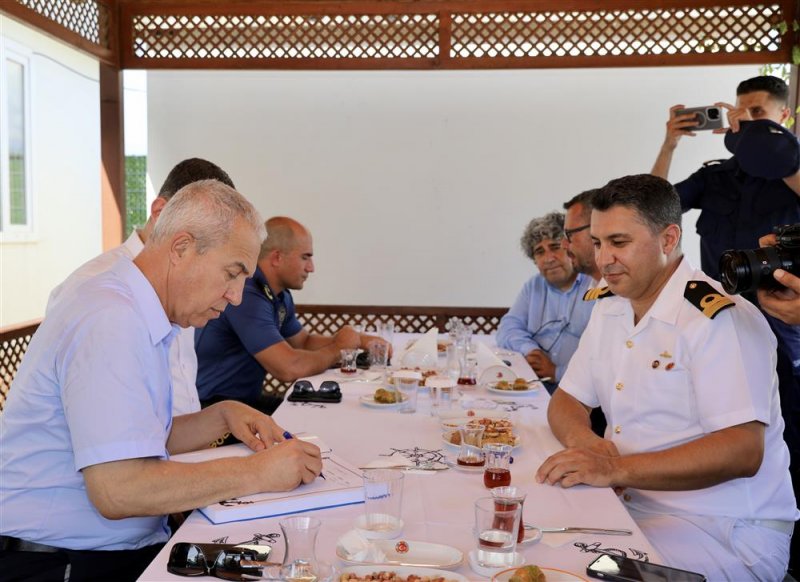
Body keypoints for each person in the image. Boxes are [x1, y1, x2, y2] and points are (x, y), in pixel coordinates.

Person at [0, 181, 322, 582]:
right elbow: (118, 489)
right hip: (60, 561)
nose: (237, 296)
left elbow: (133, 438)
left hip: (112, 548)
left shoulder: (135, 306)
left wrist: (221, 415)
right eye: (232, 273)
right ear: (181, 248)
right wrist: (258, 472)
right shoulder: (110, 317)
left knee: (291, 561)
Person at [536, 174, 797, 580]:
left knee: (577, 573)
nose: (604, 259)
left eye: (619, 243)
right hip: (639, 507)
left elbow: (742, 452)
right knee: (530, 544)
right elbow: (567, 400)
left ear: (669, 239)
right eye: (599, 243)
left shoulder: (716, 318)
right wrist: (587, 444)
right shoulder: (611, 306)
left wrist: (614, 469)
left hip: (725, 531)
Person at [46, 157, 236, 416]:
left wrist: (222, 418)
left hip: (175, 443)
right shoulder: (93, 288)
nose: (235, 296)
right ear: (160, 212)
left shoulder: (185, 279)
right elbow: (108, 440)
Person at [195, 216, 389, 410]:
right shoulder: (247, 295)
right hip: (212, 410)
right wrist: (339, 349)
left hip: (243, 404)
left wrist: (360, 340)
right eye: (305, 257)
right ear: (277, 257)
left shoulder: (278, 294)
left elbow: (303, 342)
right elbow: (288, 368)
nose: (311, 268)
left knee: (329, 413)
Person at [651, 74, 800, 280]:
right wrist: (669, 146)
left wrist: (756, 135)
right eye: (740, 112)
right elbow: (652, 205)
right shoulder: (713, 176)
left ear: (783, 115)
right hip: (719, 305)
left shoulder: (793, 174)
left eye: (757, 112)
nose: (747, 119)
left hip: (777, 306)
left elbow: (787, 167)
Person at [496, 212, 594, 391]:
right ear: (535, 261)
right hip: (537, 386)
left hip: (583, 393)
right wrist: (530, 350)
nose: (549, 258)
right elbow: (508, 326)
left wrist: (557, 372)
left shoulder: (595, 285)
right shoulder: (534, 286)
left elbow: (604, 357)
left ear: (570, 248)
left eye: (555, 247)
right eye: (540, 252)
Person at [562, 189, 602, 284]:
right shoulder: (595, 289)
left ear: (595, 229)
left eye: (569, 234)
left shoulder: (632, 293)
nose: (563, 245)